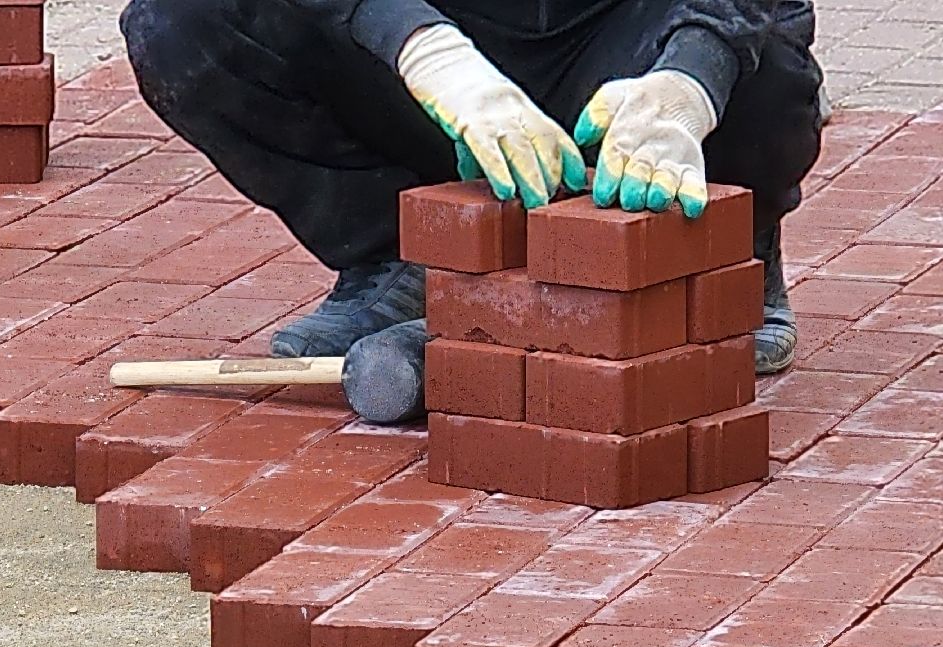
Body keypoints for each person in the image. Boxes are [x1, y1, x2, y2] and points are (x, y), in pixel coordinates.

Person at [121, 0, 825, 400]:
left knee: (761, 62)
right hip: (431, 47)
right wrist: (430, 55)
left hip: (626, 49)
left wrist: (688, 81)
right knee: (182, 23)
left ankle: (726, 255)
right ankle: (399, 252)